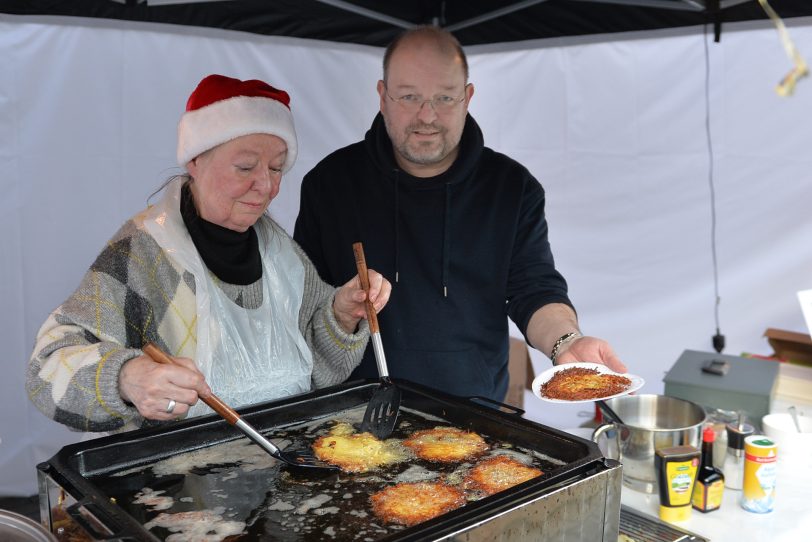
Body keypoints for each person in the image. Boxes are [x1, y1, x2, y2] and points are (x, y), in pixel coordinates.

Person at [27, 74, 391, 433]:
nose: (265, 185)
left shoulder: (282, 255)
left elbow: (314, 370)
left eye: (277, 167)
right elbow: (46, 370)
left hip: (285, 474)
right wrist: (126, 377)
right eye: (245, 167)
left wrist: (341, 316)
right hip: (175, 480)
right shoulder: (142, 254)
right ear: (195, 161)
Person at [293, 26, 624, 402]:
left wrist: (567, 342)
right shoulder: (329, 183)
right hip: (355, 417)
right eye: (409, 97)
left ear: (467, 97)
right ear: (383, 97)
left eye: (444, 98)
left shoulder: (512, 188)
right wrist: (342, 308)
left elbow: (535, 289)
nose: (427, 116)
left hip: (475, 418)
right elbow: (303, 308)